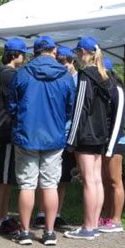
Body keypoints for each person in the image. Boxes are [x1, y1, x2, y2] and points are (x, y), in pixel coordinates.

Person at [9, 36, 75, 246]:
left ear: (35, 51)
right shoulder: (64, 76)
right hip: (54, 137)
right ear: (54, 51)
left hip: (27, 135)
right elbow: (70, 108)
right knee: (50, 185)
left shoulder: (22, 73)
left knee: (27, 185)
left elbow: (12, 106)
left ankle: (26, 232)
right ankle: (49, 233)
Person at [64, 36, 112, 241]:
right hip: (100, 136)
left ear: (84, 53)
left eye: (77, 53)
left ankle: (88, 226)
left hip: (86, 136)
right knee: (97, 180)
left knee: (88, 182)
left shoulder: (86, 76)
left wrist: (71, 140)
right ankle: (94, 223)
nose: (76, 56)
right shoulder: (104, 77)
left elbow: (79, 109)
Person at [33, 45, 77, 230]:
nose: (62, 65)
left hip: (68, 135)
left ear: (72, 61)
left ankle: (56, 213)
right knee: (42, 177)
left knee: (63, 178)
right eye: (59, 62)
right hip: (52, 133)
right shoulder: (55, 76)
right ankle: (41, 213)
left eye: (64, 62)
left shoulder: (79, 79)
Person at [0, 37, 28, 234]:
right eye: (23, 54)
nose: (24, 58)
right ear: (15, 55)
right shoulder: (9, 75)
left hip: (9, 130)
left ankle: (3, 215)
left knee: (7, 178)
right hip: (7, 130)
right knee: (2, 178)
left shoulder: (8, 74)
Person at [99, 57, 125, 233]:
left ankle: (117, 219)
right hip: (105, 142)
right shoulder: (104, 89)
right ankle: (107, 216)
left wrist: (110, 147)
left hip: (116, 142)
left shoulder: (117, 90)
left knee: (115, 180)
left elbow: (118, 122)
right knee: (105, 181)